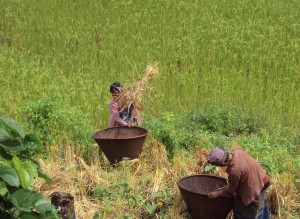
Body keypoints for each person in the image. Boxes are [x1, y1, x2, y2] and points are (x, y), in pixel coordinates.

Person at [207, 147, 271, 219]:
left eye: (220, 165)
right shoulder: (237, 151)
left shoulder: (235, 171)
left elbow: (231, 191)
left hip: (253, 189)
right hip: (262, 180)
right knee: (261, 205)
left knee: (246, 210)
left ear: (224, 163)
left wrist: (218, 193)